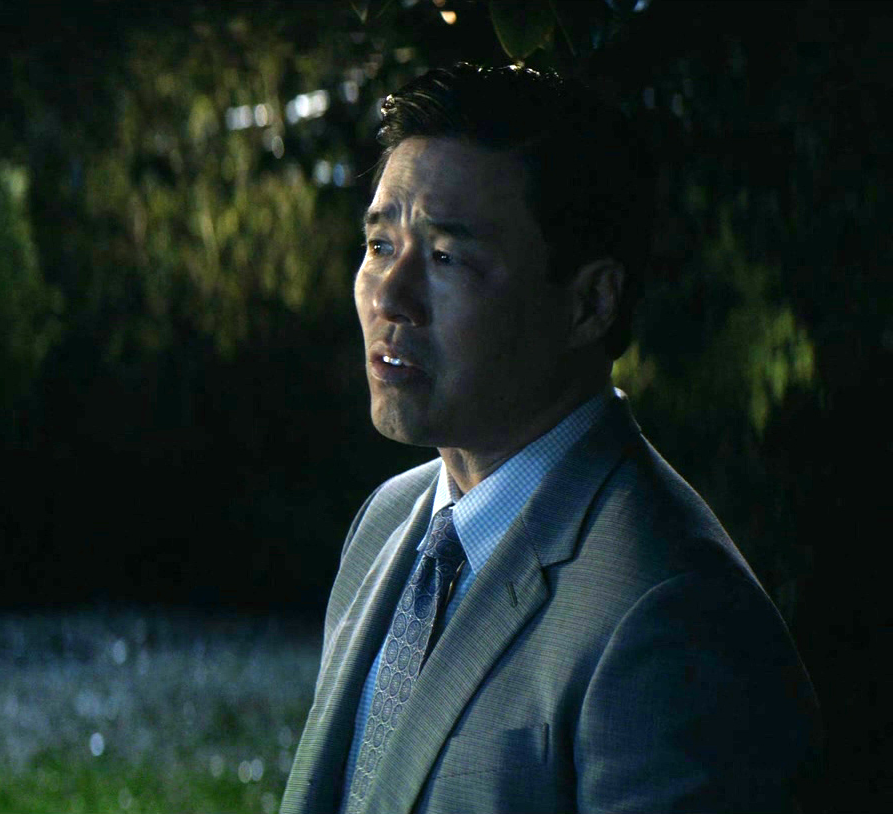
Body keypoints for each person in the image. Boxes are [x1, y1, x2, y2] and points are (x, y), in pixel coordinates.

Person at [279, 65, 820, 813]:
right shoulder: (386, 524)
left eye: (445, 257)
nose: (389, 297)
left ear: (590, 302)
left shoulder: (669, 614)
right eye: (378, 245)